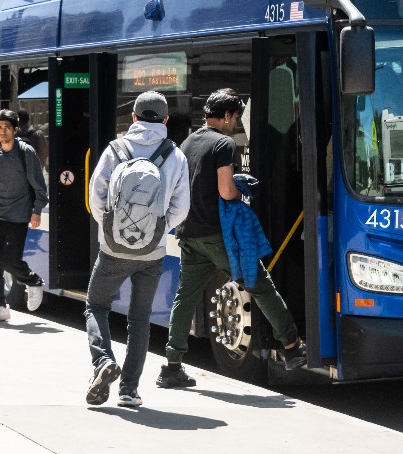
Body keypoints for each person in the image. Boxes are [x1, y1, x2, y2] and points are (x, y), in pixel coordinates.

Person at [158, 88, 306, 389]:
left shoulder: (187, 142)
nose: (235, 124)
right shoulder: (224, 144)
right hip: (218, 236)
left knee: (185, 297)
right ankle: (292, 347)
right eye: (236, 118)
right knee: (260, 284)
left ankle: (172, 366)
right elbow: (226, 191)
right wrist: (241, 192)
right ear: (226, 116)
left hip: (189, 234)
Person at [84, 91, 190, 407]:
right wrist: (157, 230)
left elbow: (96, 198)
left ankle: (103, 360)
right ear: (166, 120)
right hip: (153, 252)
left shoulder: (114, 150)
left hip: (113, 248)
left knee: (96, 305)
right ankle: (129, 390)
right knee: (140, 318)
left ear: (133, 117)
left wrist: (113, 230)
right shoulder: (176, 156)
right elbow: (181, 207)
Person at [0, 109, 49, 322]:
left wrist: (36, 211)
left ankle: (33, 281)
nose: (3, 131)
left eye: (7, 127)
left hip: (18, 215)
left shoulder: (26, 153)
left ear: (15, 130)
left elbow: (39, 186)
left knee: (10, 259)